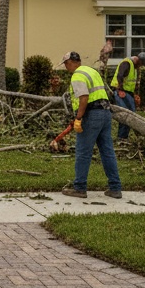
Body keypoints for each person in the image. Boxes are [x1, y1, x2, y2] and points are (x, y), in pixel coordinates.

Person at [59, 51, 122, 200]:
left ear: (69, 63)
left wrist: (78, 118)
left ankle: (80, 188)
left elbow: (84, 97)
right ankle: (115, 188)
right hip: (106, 114)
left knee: (83, 152)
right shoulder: (91, 71)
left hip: (91, 115)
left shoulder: (77, 75)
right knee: (107, 151)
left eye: (66, 64)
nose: (66, 68)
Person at [112, 51, 145, 140]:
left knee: (131, 114)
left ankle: (124, 137)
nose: (140, 66)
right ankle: (121, 138)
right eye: (141, 64)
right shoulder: (127, 63)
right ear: (139, 60)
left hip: (128, 93)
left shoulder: (135, 67)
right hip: (120, 91)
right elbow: (119, 76)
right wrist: (120, 90)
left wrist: (135, 95)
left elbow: (132, 83)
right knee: (125, 114)